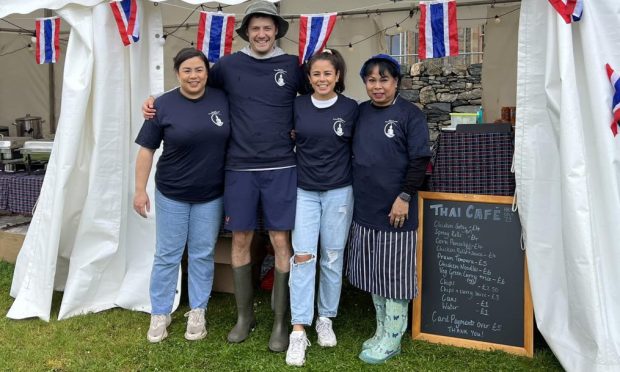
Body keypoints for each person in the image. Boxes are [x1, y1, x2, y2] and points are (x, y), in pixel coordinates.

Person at [142, 1, 306, 352]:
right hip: (239, 168)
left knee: (280, 241)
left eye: (268, 27)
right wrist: (155, 102)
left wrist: (300, 132)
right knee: (241, 239)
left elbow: (313, 101)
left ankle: (280, 322)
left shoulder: (293, 66)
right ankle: (244, 317)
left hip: (280, 167)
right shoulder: (227, 65)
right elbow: (193, 88)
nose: (262, 34)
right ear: (246, 31)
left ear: (277, 30)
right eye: (255, 28)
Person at [134, 48, 230, 343]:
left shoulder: (222, 98)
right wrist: (139, 190)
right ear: (177, 74)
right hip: (172, 193)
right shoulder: (161, 105)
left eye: (199, 70)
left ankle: (198, 311)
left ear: (207, 72)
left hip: (211, 195)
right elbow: (146, 150)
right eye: (187, 70)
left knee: (202, 255)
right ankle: (160, 313)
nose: (193, 76)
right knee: (167, 255)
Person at [347, 54, 431, 364]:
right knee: (375, 274)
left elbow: (420, 159)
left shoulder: (410, 115)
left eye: (384, 79)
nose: (377, 86)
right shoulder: (360, 113)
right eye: (371, 80)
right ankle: (381, 329)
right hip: (366, 207)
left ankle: (394, 338)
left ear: (396, 82)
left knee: (394, 275)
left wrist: (405, 197)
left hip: (397, 209)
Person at [284, 49, 358, 367]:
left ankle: (325, 317)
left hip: (340, 192)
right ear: (309, 77)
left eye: (328, 73)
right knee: (303, 257)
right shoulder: (297, 106)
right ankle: (298, 329)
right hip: (304, 191)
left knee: (331, 256)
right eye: (316, 74)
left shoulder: (351, 108)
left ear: (338, 76)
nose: (322, 79)